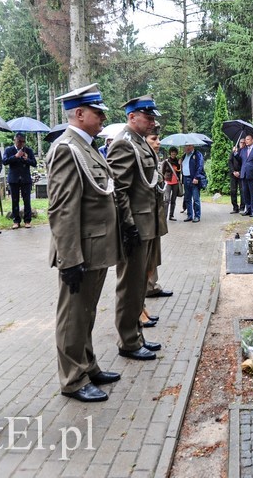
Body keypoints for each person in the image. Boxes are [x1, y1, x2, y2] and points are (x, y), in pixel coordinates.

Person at [48, 83, 121, 402]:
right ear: (79, 113)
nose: (103, 117)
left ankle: (87, 365)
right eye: (97, 112)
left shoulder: (86, 146)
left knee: (86, 313)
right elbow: (62, 209)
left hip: (95, 248)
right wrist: (69, 259)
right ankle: (73, 379)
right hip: (80, 251)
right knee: (73, 316)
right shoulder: (67, 149)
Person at [106, 95, 165, 361]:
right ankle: (127, 341)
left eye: (153, 117)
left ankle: (136, 335)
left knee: (139, 284)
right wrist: (128, 225)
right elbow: (118, 189)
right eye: (148, 117)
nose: (152, 122)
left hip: (147, 224)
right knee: (129, 286)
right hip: (136, 226)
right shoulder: (124, 142)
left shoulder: (139, 141)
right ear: (132, 117)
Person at [143, 132, 172, 305]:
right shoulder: (140, 155)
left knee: (154, 256)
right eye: (154, 139)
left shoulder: (153, 157)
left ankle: (152, 286)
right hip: (145, 216)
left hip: (155, 214)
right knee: (145, 257)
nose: (158, 142)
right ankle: (145, 290)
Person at [2, 133, 37, 229]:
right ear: (15, 140)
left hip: (25, 179)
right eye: (19, 141)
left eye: (23, 141)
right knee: (15, 200)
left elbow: (34, 163)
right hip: (14, 179)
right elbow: (4, 161)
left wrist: (27, 159)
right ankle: (16, 221)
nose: (21, 143)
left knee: (27, 201)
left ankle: (27, 220)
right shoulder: (9, 150)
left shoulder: (28, 150)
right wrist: (16, 156)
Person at [180, 143, 205, 222]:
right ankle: (189, 215)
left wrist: (196, 177)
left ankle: (197, 216)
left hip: (194, 179)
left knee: (196, 198)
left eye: (188, 146)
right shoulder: (184, 156)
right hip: (186, 178)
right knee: (187, 198)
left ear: (192, 146)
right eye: (185, 146)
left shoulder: (197, 154)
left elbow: (200, 166)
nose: (186, 148)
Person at [162, 147, 181, 221]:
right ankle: (164, 216)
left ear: (176, 153)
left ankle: (171, 216)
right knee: (166, 199)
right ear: (170, 153)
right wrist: (163, 180)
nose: (173, 153)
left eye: (175, 152)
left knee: (173, 200)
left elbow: (179, 171)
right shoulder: (166, 161)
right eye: (172, 152)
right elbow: (163, 172)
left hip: (176, 183)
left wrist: (180, 164)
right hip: (168, 182)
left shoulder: (178, 161)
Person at [228, 139, 245, 213]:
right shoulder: (234, 150)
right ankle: (235, 207)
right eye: (241, 142)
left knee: (242, 191)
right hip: (233, 174)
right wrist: (233, 171)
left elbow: (244, 163)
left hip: (241, 173)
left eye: (244, 143)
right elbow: (230, 161)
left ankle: (242, 208)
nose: (242, 144)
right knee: (233, 191)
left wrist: (240, 172)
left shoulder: (245, 152)